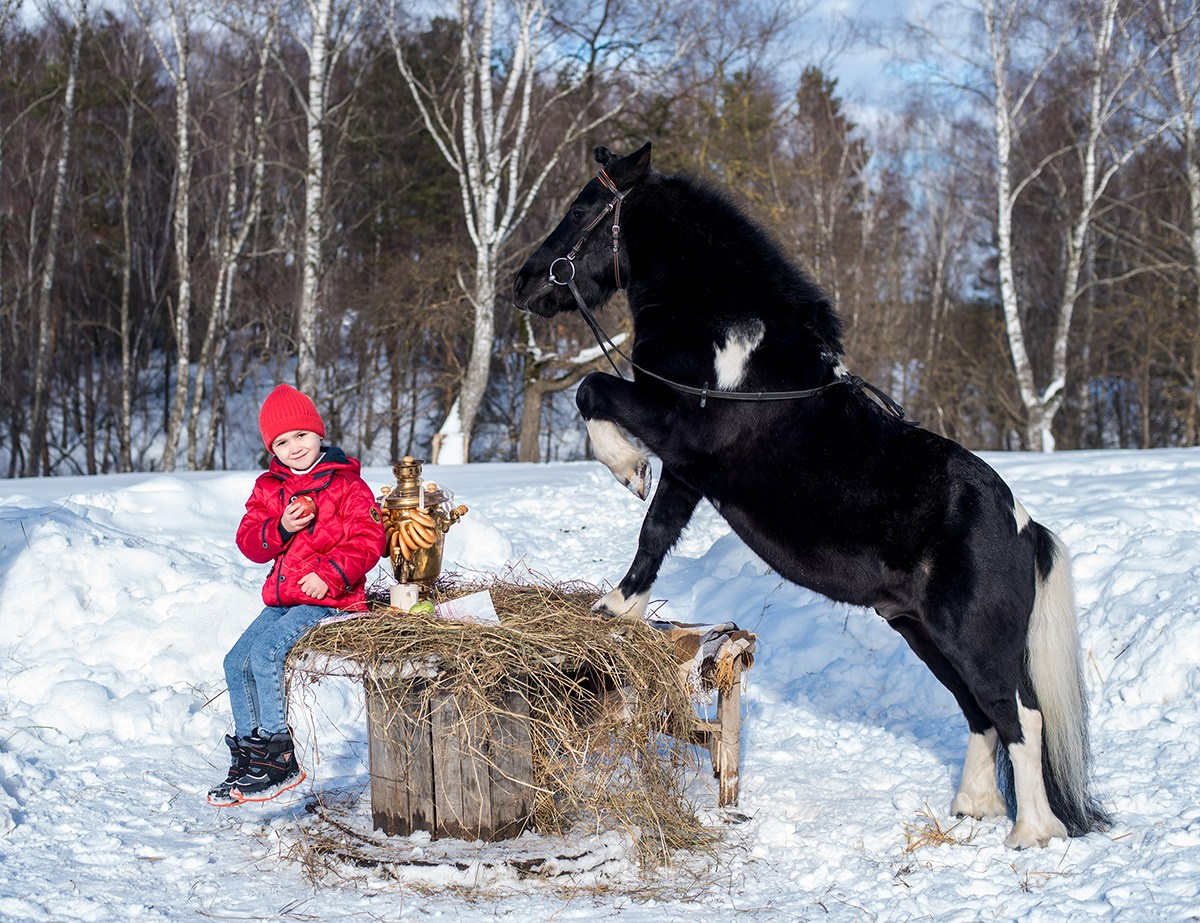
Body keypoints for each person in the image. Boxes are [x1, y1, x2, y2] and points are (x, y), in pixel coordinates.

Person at [208, 383, 385, 807]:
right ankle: (252, 757)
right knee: (236, 661)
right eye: (282, 442)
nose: (294, 447)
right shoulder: (270, 487)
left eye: (301, 435)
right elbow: (250, 543)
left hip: (332, 597)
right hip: (284, 597)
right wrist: (282, 527)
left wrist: (330, 573)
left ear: (318, 433)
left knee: (268, 652)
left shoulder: (347, 485)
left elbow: (370, 538)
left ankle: (279, 755)